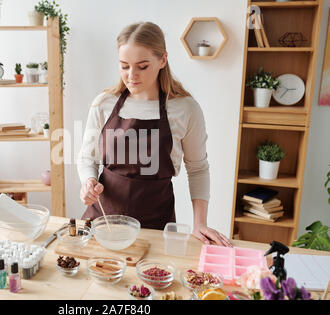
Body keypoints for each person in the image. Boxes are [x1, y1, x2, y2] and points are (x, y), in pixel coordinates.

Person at [77, 21, 232, 247]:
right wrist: (88, 182)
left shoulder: (185, 109)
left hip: (156, 226)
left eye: (142, 66)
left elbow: (198, 168)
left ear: (162, 60)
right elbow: (87, 158)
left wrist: (200, 223)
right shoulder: (104, 104)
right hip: (103, 222)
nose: (131, 76)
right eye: (124, 66)